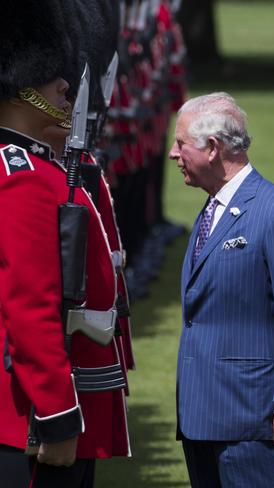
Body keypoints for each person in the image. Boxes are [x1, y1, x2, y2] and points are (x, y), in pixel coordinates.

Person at [0, 2, 130, 487]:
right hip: (30, 416)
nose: (65, 86)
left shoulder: (40, 171)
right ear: (17, 83)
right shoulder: (23, 178)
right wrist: (57, 415)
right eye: (50, 75)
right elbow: (31, 306)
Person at [170, 92, 274, 487]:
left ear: (212, 148)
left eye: (180, 144)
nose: (173, 154)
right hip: (202, 417)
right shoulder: (211, 208)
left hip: (253, 422)